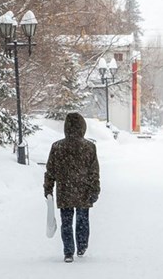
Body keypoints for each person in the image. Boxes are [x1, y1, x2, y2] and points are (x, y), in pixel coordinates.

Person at [43, 112, 100, 263]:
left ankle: (68, 251)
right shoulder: (89, 147)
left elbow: (50, 171)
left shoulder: (57, 147)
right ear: (83, 127)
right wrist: (95, 189)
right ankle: (82, 246)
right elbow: (94, 171)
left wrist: (48, 189)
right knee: (82, 220)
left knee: (66, 222)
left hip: (65, 190)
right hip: (83, 191)